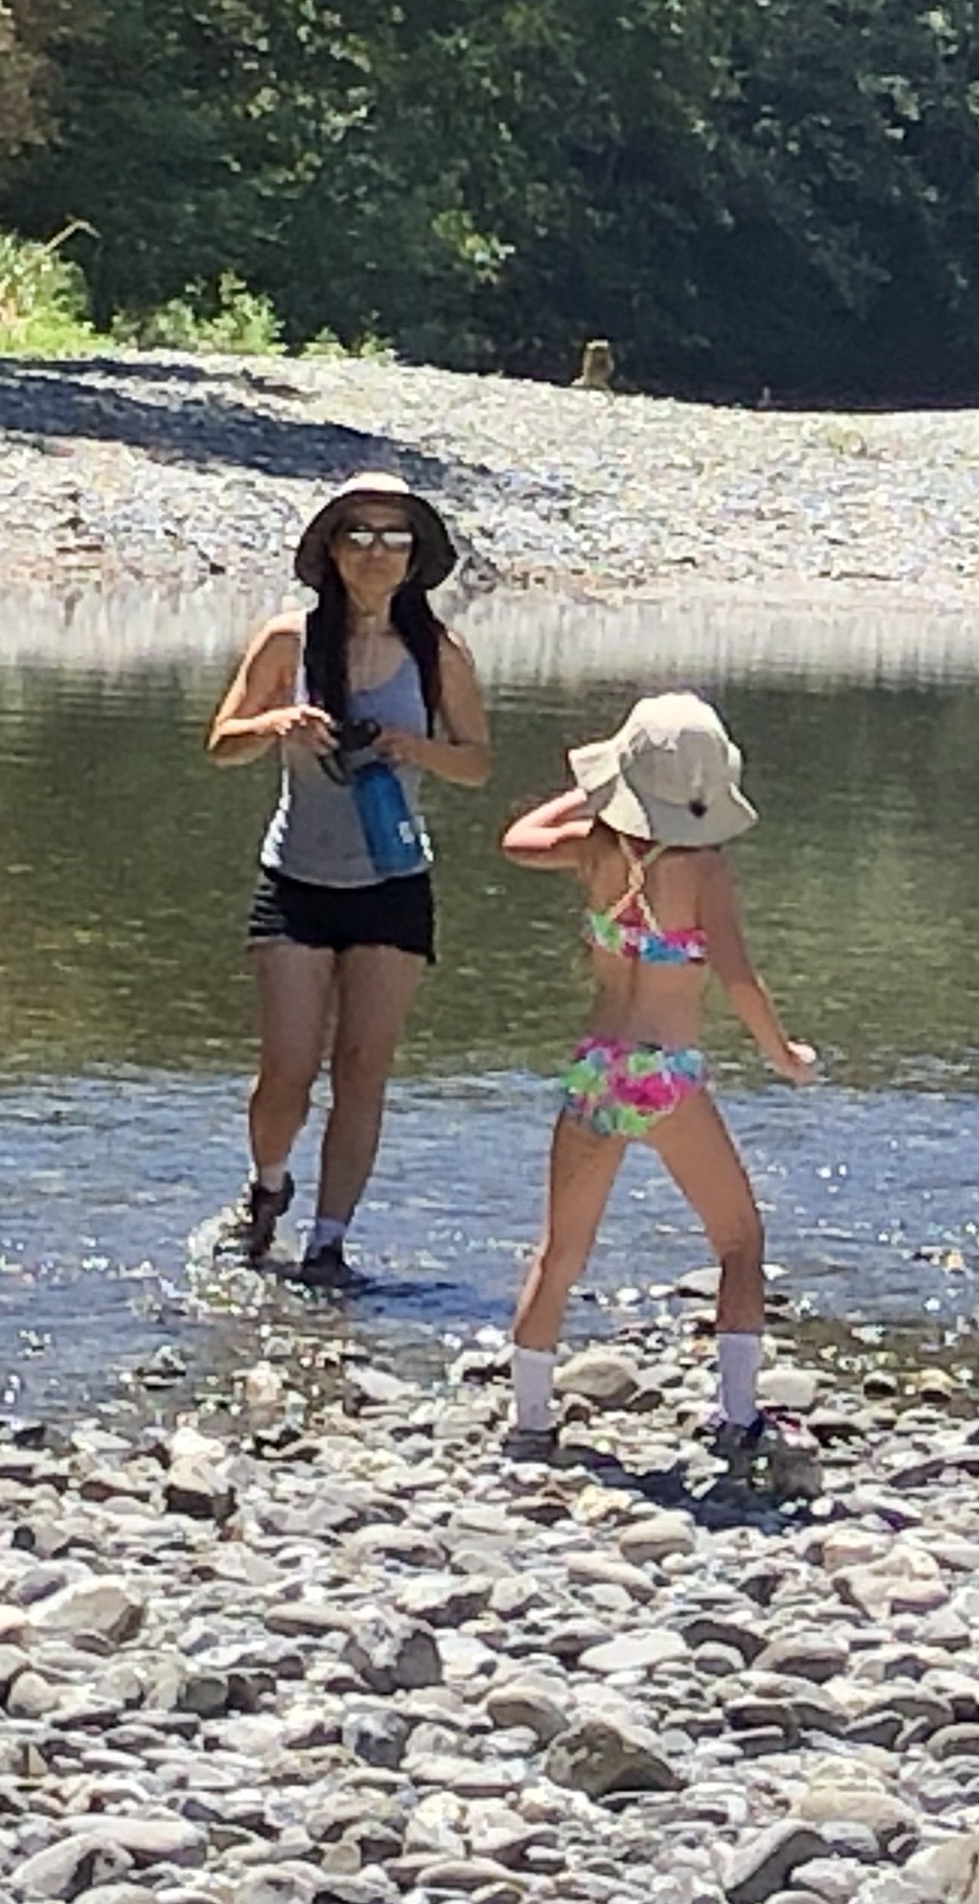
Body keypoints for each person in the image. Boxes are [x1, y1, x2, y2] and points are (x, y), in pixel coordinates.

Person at [498, 689, 823, 1485]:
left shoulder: (596, 848)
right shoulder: (703, 868)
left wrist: (595, 792)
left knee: (561, 1250)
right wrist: (783, 1054)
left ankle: (531, 1419)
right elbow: (739, 978)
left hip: (596, 1065)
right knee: (740, 1240)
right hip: (666, 1073)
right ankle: (740, 1413)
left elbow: (516, 840)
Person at [203, 472, 493, 1279]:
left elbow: (476, 764)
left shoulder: (438, 652)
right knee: (287, 1071)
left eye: (393, 539)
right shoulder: (288, 640)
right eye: (358, 535)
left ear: (415, 559)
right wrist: (277, 722)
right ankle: (266, 1190)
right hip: (296, 878)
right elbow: (222, 741)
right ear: (330, 550)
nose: (375, 553)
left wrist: (412, 747)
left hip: (394, 882)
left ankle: (329, 1242)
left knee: (363, 1069)